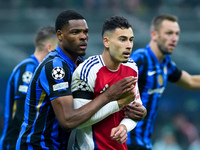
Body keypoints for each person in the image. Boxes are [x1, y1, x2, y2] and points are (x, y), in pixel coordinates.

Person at [15, 9, 146, 150]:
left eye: (86, 32)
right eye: (75, 32)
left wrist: (138, 112)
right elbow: (67, 121)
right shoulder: (55, 67)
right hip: (36, 145)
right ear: (60, 35)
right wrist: (109, 96)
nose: (83, 37)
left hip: (58, 145)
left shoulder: (80, 64)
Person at [71, 16, 146, 150]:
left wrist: (124, 127)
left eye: (131, 40)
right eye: (122, 39)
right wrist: (118, 103)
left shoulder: (131, 67)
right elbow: (78, 121)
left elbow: (134, 110)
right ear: (107, 42)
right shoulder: (88, 70)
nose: (129, 45)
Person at [128, 14, 200, 150]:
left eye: (177, 34)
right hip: (127, 141)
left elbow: (190, 81)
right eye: (169, 33)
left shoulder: (165, 64)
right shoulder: (140, 58)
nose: (174, 38)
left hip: (144, 142)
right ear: (154, 34)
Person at [0, 26, 58, 150]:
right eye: (59, 48)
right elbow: (20, 113)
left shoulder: (41, 70)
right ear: (50, 48)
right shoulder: (28, 70)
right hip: (14, 144)